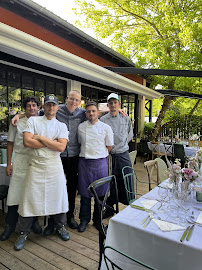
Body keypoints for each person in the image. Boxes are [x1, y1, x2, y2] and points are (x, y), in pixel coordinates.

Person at [14, 95, 70, 251]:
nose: (51, 107)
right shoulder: (33, 121)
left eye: (54, 105)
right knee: (29, 198)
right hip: (35, 166)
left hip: (54, 167)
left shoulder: (61, 125)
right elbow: (27, 142)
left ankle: (60, 226)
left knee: (58, 197)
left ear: (57, 108)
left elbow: (61, 148)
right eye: (48, 105)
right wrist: (51, 143)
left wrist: (40, 138)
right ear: (43, 107)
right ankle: (24, 232)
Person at [0, 96, 42, 241]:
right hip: (19, 161)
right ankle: (10, 226)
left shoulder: (42, 122)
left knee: (33, 193)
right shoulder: (17, 123)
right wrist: (9, 164)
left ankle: (34, 222)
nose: (32, 108)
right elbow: (10, 143)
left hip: (35, 161)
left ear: (38, 108)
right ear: (25, 108)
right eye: (29, 105)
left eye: (34, 105)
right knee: (14, 195)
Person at [77, 101, 114, 232]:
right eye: (88, 111)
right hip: (85, 163)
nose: (91, 113)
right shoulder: (81, 127)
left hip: (100, 163)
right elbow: (80, 143)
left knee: (100, 194)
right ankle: (84, 220)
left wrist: (99, 154)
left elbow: (109, 146)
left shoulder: (106, 128)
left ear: (98, 112)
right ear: (86, 113)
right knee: (85, 193)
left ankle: (98, 221)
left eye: (93, 111)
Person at [100, 93, 134, 217]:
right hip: (110, 156)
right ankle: (109, 209)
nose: (113, 105)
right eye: (111, 103)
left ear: (119, 104)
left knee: (127, 180)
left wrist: (124, 143)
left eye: (115, 103)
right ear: (108, 105)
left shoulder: (125, 118)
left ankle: (131, 208)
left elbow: (130, 133)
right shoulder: (103, 120)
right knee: (111, 184)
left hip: (124, 155)